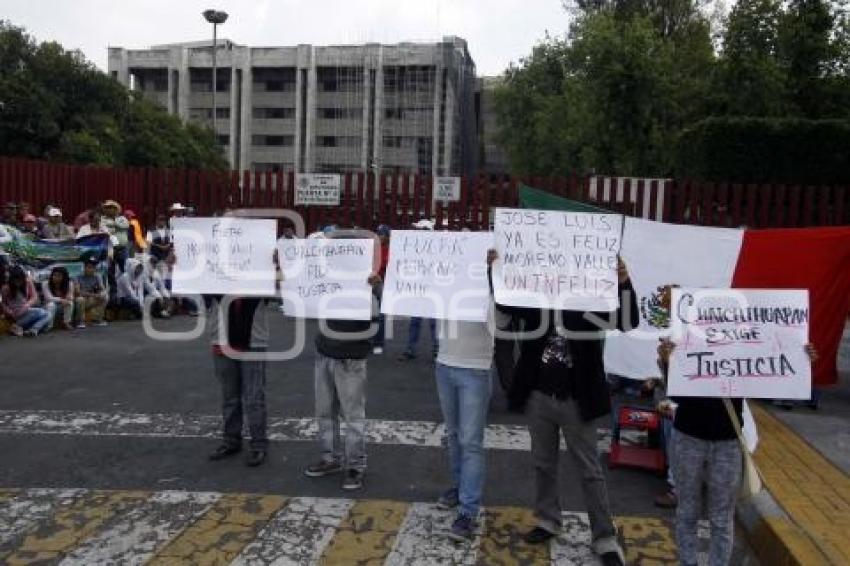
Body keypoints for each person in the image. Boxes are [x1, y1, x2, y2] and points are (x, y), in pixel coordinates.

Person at [502, 258, 637, 566]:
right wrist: (494, 270)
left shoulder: (592, 298)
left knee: (589, 470)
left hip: (578, 398)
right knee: (542, 462)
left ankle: (605, 537)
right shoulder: (535, 296)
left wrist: (625, 282)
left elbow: (628, 321)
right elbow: (506, 304)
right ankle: (548, 519)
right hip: (538, 394)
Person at [658, 338, 817, 566]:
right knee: (688, 511)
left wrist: (800, 360)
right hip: (688, 437)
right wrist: (667, 361)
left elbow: (770, 379)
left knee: (721, 517)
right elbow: (676, 394)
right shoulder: (688, 336)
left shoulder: (744, 342)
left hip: (727, 441)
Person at [304, 235, 383, 491]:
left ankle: (355, 466)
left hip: (351, 358)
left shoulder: (369, 284)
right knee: (324, 412)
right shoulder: (326, 277)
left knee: (352, 416)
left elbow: (379, 315)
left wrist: (375, 287)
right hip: (325, 352)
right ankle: (330, 458)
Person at [434, 248, 498, 541]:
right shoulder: (446, 283)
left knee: (471, 442)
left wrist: (492, 281)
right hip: (444, 364)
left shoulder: (493, 289)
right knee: (454, 434)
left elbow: (503, 325)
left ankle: (468, 510)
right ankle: (459, 487)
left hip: (475, 369)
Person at [205, 294, 270, 467]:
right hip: (222, 339)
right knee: (229, 396)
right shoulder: (211, 271)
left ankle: (258, 443)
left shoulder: (260, 271)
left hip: (253, 341)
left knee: (254, 397)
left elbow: (277, 288)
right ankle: (231, 440)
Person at [2, 265, 51, 337]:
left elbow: (34, 297)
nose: (17, 283)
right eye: (15, 280)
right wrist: (9, 311)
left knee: (47, 315)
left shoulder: (28, 283)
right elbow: (3, 302)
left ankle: (32, 330)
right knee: (45, 314)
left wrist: (27, 305)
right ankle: (20, 327)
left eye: (20, 280)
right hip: (14, 313)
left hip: (26, 310)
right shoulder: (6, 288)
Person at [372, 224, 391, 354]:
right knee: (368, 314)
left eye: (382, 234)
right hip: (371, 282)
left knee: (381, 315)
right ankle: (368, 340)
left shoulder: (390, 249)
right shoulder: (373, 248)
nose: (379, 236)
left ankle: (378, 343)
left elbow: (388, 265)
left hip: (382, 283)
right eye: (378, 233)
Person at [74, 259, 108, 328]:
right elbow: (78, 292)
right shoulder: (77, 277)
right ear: (84, 268)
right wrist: (93, 295)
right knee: (80, 300)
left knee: (105, 297)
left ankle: (97, 319)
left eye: (93, 268)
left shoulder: (97, 276)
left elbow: (102, 288)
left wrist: (101, 294)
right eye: (89, 267)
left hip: (91, 298)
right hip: (81, 298)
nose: (91, 270)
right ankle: (80, 321)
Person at [102, 200, 130, 271]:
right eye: (108, 207)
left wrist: (114, 222)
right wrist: (114, 225)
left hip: (122, 248)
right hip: (109, 248)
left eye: (112, 207)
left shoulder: (122, 218)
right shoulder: (102, 219)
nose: (110, 209)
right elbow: (103, 228)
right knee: (110, 269)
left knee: (124, 268)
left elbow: (125, 226)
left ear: (116, 209)